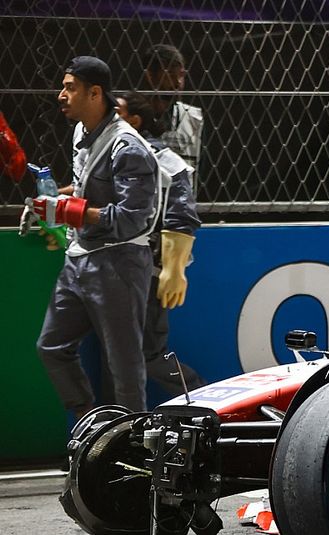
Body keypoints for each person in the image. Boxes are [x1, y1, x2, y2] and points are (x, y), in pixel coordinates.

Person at [20, 56, 159, 416]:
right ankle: (88, 427)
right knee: (50, 347)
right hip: (80, 258)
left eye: (70, 87)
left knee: (124, 367)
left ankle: (133, 453)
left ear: (95, 93)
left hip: (119, 262)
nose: (60, 95)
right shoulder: (82, 131)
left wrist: (65, 211)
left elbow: (134, 219)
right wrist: (49, 201)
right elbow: (84, 189)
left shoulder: (127, 147)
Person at [117, 90, 206, 397]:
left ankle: (201, 402)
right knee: (122, 352)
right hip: (122, 267)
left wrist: (172, 267)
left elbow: (182, 213)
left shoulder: (158, 157)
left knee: (149, 353)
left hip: (150, 269)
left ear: (135, 120)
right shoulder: (113, 153)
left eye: (117, 112)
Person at [143, 44, 202, 193]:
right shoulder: (130, 116)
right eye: (169, 74)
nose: (178, 82)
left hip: (181, 206)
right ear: (150, 75)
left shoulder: (194, 118)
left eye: (181, 75)